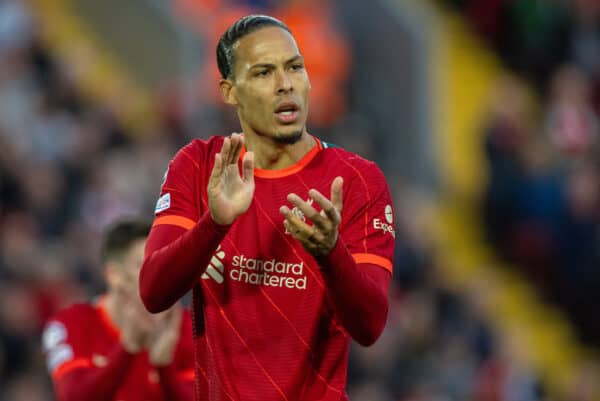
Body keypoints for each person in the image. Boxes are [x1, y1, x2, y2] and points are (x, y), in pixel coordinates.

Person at [140, 14, 395, 401]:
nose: (285, 84)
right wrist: (215, 224)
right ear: (230, 91)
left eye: (295, 67)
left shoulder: (357, 181)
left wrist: (330, 253)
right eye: (263, 73)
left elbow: (370, 326)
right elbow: (153, 292)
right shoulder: (199, 166)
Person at [42, 220, 197, 401]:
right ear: (114, 275)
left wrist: (164, 365)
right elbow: (73, 396)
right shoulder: (70, 325)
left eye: (165, 263)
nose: (160, 273)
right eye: (145, 264)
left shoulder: (190, 329)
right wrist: (128, 347)